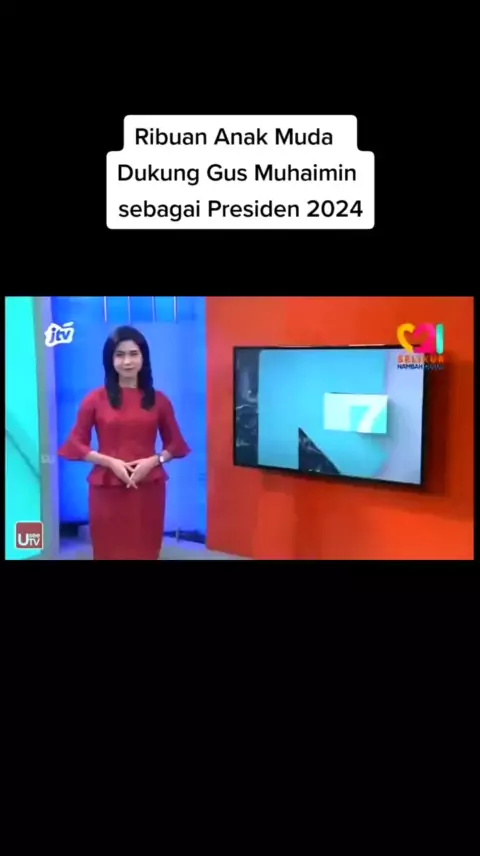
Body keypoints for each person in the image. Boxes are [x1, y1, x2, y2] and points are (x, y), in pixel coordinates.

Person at [58, 325, 190, 560]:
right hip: (107, 488)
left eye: (133, 354)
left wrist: (153, 461)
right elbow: (75, 444)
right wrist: (110, 462)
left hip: (148, 488)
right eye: (119, 355)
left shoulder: (159, 401)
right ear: (110, 360)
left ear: (143, 357)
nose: (127, 361)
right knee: (109, 550)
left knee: (145, 549)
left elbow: (175, 445)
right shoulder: (94, 400)